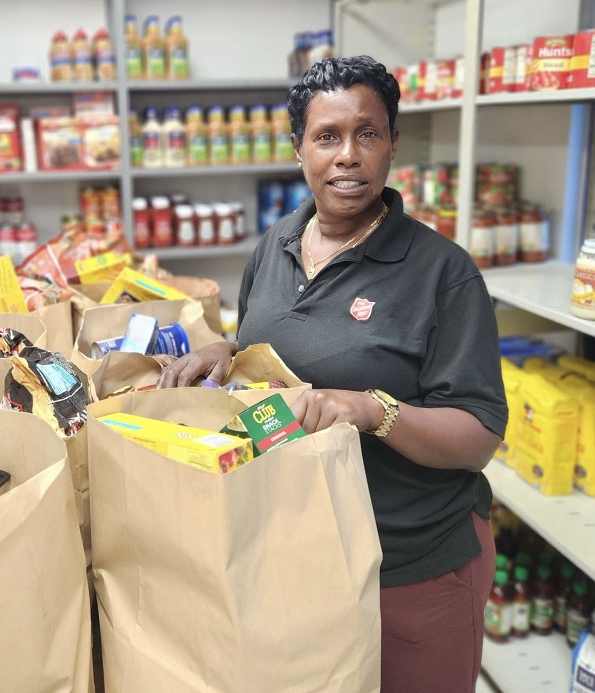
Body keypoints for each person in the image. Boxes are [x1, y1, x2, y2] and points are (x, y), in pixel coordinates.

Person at [157, 55, 507, 693]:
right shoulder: (276, 244)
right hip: (299, 546)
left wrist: (373, 409)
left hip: (409, 564)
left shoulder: (442, 273)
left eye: (367, 134)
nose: (348, 155)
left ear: (393, 144)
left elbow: (479, 435)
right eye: (327, 137)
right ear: (299, 149)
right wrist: (228, 349)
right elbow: (285, 339)